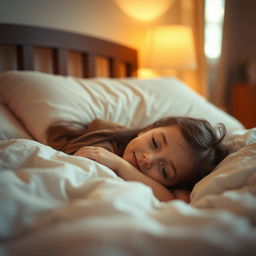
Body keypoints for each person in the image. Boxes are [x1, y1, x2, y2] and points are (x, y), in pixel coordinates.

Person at [46, 116, 228, 203]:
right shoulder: (106, 137)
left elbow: (176, 200)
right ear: (147, 129)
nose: (148, 159)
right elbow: (86, 159)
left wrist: (121, 165)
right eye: (155, 143)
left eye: (164, 171)